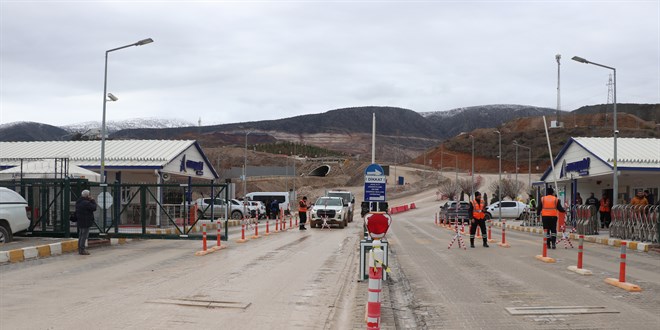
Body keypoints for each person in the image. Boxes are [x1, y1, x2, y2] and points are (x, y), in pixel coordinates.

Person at [75, 189, 97, 255]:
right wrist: (93, 200)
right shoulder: (86, 203)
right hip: (86, 221)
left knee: (81, 235)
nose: (90, 196)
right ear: (87, 196)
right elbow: (94, 208)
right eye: (89, 195)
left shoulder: (78, 202)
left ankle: (80, 249)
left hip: (80, 221)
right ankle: (82, 249)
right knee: (84, 236)